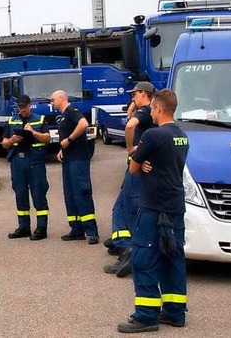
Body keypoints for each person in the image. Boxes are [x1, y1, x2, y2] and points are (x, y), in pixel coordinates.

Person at [117, 89, 189, 333]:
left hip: (153, 208)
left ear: (157, 108)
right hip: (175, 207)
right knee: (173, 257)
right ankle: (175, 312)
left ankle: (146, 315)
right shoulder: (182, 135)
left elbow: (134, 167)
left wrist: (139, 157)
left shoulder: (153, 135)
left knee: (144, 259)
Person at [104, 81, 156, 277]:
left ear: (144, 93)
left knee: (129, 209)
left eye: (134, 94)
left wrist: (131, 150)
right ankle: (124, 247)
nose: (132, 97)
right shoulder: (146, 111)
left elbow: (130, 126)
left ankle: (130, 251)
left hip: (136, 169)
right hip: (135, 167)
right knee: (120, 207)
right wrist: (132, 109)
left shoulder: (145, 110)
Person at [50, 90, 99, 244]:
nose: (51, 103)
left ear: (61, 98)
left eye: (53, 100)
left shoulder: (72, 110)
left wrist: (69, 140)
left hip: (79, 159)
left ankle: (92, 232)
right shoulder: (64, 115)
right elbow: (64, 136)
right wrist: (61, 150)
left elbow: (83, 124)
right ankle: (76, 230)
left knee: (82, 192)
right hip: (68, 159)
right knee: (70, 195)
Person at [2, 94, 51, 240]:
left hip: (35, 161)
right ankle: (24, 227)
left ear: (30, 105)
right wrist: (12, 139)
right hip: (18, 161)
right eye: (20, 107)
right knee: (20, 194)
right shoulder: (12, 121)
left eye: (24, 107)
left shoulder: (40, 119)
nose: (22, 109)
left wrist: (34, 132)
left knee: (38, 193)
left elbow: (48, 139)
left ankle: (41, 228)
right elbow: (4, 143)